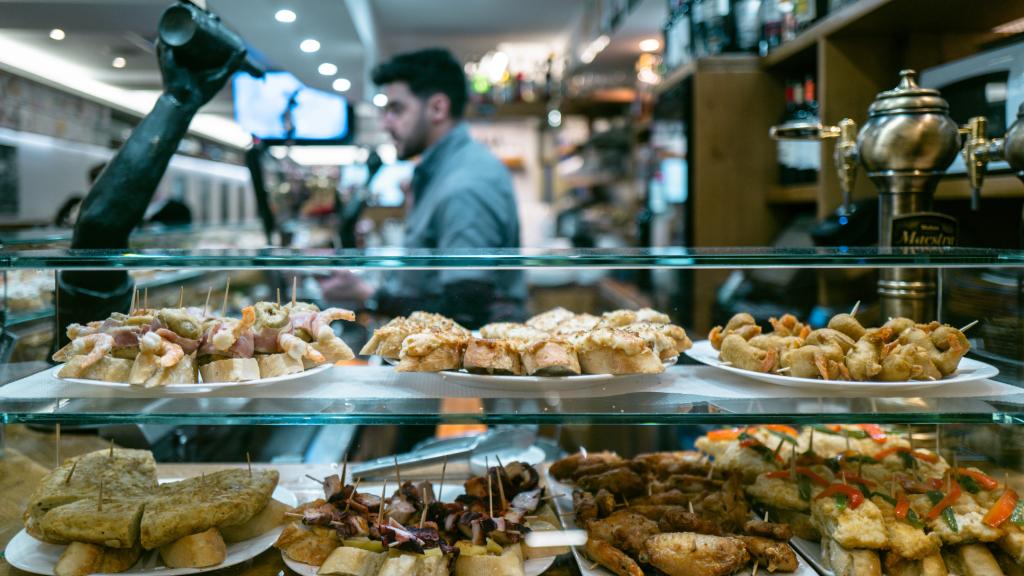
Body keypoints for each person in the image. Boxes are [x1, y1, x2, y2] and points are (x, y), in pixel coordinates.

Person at [368, 48, 526, 327]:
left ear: (438, 108)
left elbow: (467, 310)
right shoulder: (441, 173)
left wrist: (369, 296)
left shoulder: (465, 184)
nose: (385, 123)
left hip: (462, 366)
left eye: (396, 109)